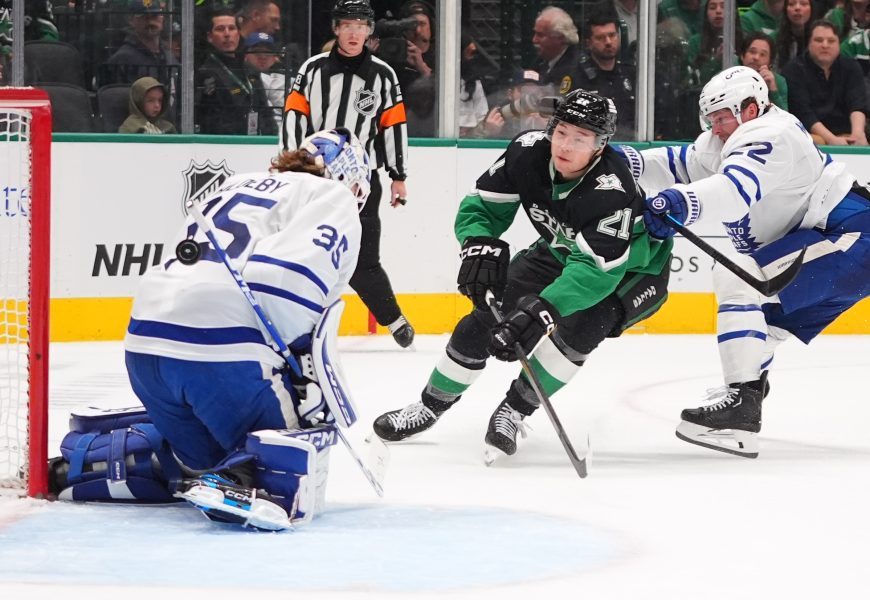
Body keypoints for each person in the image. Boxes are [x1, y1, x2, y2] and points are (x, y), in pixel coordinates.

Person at [371, 90, 673, 462]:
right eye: (561, 132)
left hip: (630, 271)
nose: (565, 145)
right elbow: (482, 207)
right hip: (562, 249)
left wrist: (544, 309)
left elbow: (595, 273)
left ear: (601, 145)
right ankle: (430, 406)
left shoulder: (613, 188)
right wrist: (478, 242)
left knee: (581, 329)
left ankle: (514, 411)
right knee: (487, 316)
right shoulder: (528, 152)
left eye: (580, 138)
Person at [122, 128, 371, 528]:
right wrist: (301, 369)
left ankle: (119, 459)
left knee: (202, 463)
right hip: (220, 355)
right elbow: (283, 284)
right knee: (283, 468)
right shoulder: (330, 195)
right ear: (345, 175)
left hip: (143, 349)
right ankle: (242, 475)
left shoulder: (234, 184)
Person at [632, 65, 870, 458]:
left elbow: (732, 190)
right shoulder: (730, 138)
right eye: (711, 119)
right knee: (763, 325)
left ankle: (741, 406)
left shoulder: (771, 134)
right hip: (845, 243)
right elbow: (678, 162)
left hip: (853, 237)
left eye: (722, 118)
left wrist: (679, 201)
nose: (716, 128)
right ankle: (746, 399)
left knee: (737, 275)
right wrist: (618, 160)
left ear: (751, 108)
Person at [282, 0, 415, 348]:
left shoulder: (383, 75)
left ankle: (395, 320)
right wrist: (293, 165)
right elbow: (294, 117)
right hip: (314, 182)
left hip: (362, 183)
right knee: (306, 253)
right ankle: (299, 325)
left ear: (369, 32)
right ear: (336, 29)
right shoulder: (312, 70)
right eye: (347, 25)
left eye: (361, 26)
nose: (354, 33)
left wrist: (398, 175)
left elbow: (393, 126)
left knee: (363, 260)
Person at [782, 20, 868, 146]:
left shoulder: (852, 67)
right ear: (809, 43)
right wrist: (832, 140)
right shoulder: (793, 70)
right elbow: (803, 113)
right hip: (808, 133)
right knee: (818, 141)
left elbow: (857, 105)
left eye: (831, 41)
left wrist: (858, 133)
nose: (825, 45)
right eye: (819, 40)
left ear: (839, 44)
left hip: (845, 132)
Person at [195, 8, 276, 135]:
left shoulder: (249, 69)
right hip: (225, 142)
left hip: (256, 141)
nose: (227, 34)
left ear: (238, 34)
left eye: (232, 28)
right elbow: (209, 119)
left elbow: (265, 111)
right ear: (210, 37)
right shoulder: (206, 73)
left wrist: (272, 138)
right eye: (220, 29)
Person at [573, 7, 638, 139]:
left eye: (612, 35)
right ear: (588, 43)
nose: (608, 42)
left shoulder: (631, 74)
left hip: (631, 143)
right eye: (600, 38)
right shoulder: (578, 77)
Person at [688, 0, 743, 86]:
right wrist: (716, 60)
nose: (718, 11)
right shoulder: (695, 42)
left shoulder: (744, 40)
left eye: (724, 7)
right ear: (706, 14)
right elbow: (694, 79)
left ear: (734, 13)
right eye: (712, 7)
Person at [531, 5, 581, 95]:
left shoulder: (576, 70)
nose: (534, 40)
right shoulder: (540, 62)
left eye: (540, 35)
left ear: (560, 37)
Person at [243, 32, 286, 131]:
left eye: (268, 52)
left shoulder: (286, 78)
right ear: (245, 56)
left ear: (275, 58)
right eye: (256, 52)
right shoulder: (241, 79)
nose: (263, 57)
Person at [740, 31, 789, 110]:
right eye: (752, 52)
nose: (756, 57)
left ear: (770, 62)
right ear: (742, 56)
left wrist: (773, 90)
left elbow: (784, 115)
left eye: (762, 54)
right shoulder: (730, 76)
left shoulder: (778, 82)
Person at [775, 0, 814, 69]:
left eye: (803, 4)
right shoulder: (774, 38)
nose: (797, 8)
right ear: (785, 9)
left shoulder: (819, 38)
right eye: (791, 4)